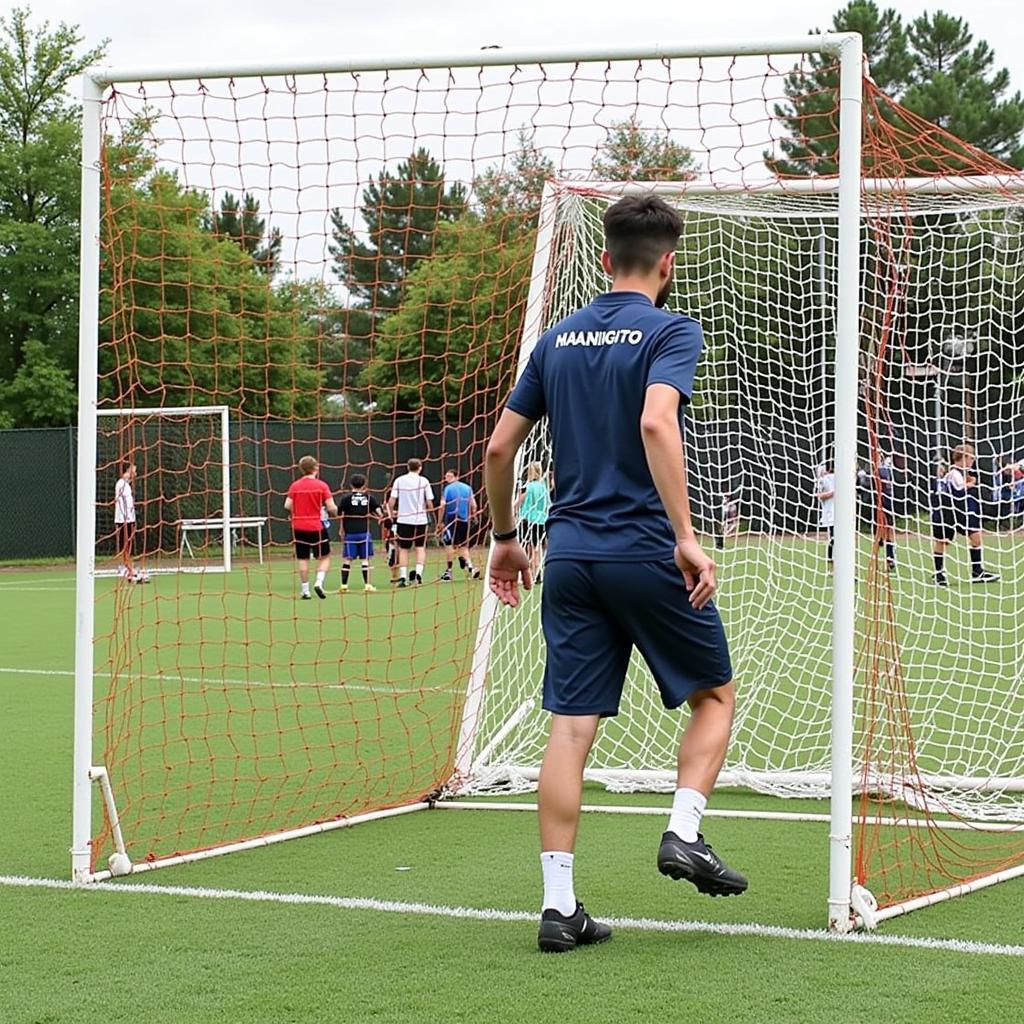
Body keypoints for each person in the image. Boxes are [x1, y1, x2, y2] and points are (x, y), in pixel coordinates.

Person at [484, 194, 745, 954]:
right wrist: (688, 538)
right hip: (644, 552)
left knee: (570, 728)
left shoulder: (558, 338)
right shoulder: (672, 330)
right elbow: (657, 421)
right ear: (669, 261)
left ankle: (559, 909)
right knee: (715, 696)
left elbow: (500, 451)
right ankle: (683, 831)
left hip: (567, 557)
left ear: (604, 259)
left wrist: (506, 538)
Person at [932, 444, 999, 586]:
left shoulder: (958, 474)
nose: (972, 461)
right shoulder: (954, 474)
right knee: (942, 541)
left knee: (976, 538)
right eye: (971, 458)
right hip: (947, 512)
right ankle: (939, 574)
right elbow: (958, 492)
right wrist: (971, 484)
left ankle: (977, 571)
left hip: (959, 512)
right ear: (963, 457)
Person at [285, 455, 337, 600]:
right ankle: (319, 583)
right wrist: (342, 513)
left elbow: (287, 505)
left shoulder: (295, 486)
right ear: (316, 467)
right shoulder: (322, 485)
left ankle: (305, 590)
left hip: (299, 527)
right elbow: (332, 507)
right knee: (325, 557)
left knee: (303, 558)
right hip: (316, 527)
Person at [387, 458, 435, 587]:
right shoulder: (424, 481)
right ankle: (418, 573)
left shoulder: (399, 480)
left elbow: (391, 501)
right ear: (420, 467)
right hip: (420, 520)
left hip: (404, 520)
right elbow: (429, 501)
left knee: (404, 549)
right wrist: (432, 515)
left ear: (408, 467)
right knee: (420, 548)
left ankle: (403, 576)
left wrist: (391, 515)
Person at [337, 474, 382, 593]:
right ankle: (367, 585)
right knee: (365, 559)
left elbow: (339, 513)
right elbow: (378, 511)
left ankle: (344, 586)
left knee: (347, 559)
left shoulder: (345, 499)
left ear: (351, 484)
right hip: (364, 533)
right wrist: (381, 517)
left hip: (350, 533)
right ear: (364, 484)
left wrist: (341, 528)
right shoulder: (369, 498)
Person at [438, 469, 480, 581]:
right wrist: (473, 516)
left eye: (450, 476)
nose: (447, 478)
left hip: (451, 520)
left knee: (449, 544)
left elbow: (442, 505)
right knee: (462, 546)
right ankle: (471, 567)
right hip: (464, 520)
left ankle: (449, 571)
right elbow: (474, 505)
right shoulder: (468, 488)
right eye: (446, 476)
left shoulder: (447, 489)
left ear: (457, 477)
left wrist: (439, 522)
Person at [515, 462, 549, 582]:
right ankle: (537, 571)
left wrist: (513, 510)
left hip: (528, 520)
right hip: (541, 520)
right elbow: (547, 505)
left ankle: (532, 572)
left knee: (527, 548)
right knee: (537, 547)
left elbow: (518, 502)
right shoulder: (543, 487)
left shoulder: (527, 487)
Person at [114, 462, 147, 583]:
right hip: (123, 520)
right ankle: (129, 570)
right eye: (134, 470)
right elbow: (120, 503)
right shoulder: (121, 484)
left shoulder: (127, 485)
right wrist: (126, 517)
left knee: (128, 546)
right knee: (125, 546)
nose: (135, 473)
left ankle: (130, 568)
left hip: (129, 520)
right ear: (127, 471)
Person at [875, 454, 897, 572]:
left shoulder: (882, 471)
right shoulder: (883, 471)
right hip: (885, 502)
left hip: (884, 503)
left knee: (884, 533)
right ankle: (888, 559)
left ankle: (887, 559)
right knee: (885, 533)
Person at [815, 462, 836, 564]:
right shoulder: (823, 481)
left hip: (841, 515)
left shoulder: (836, 478)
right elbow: (819, 495)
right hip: (831, 514)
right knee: (834, 537)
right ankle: (830, 559)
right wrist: (832, 493)